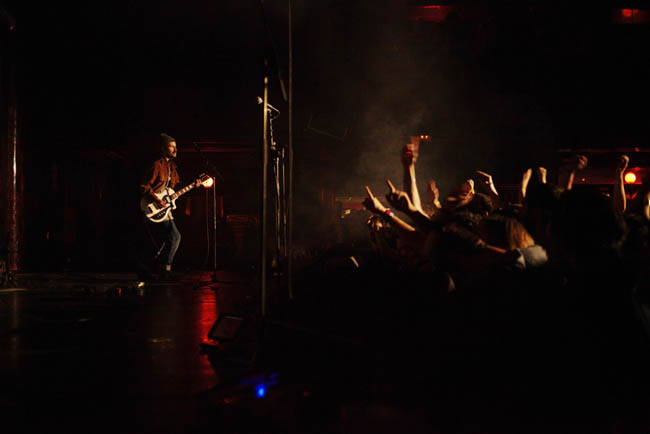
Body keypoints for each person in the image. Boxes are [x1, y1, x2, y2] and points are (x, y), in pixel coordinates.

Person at [138, 133, 199, 281]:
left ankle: (153, 268)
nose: (175, 150)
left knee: (169, 239)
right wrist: (157, 200)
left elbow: (174, 189)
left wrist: (194, 184)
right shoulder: (156, 165)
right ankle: (162, 268)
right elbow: (144, 186)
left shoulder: (172, 167)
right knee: (174, 236)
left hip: (164, 207)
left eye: (175, 147)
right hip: (153, 206)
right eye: (171, 147)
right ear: (163, 148)